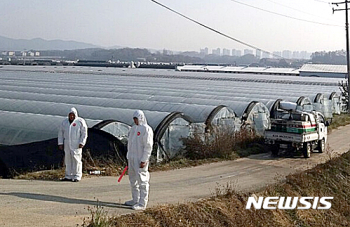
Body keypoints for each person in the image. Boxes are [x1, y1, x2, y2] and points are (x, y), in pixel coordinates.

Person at [125, 110, 153, 210]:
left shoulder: (146, 130)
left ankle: (142, 203)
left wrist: (144, 159)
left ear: (141, 118)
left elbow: (148, 146)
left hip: (140, 159)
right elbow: (130, 144)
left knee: (142, 181)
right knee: (133, 180)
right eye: (134, 119)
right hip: (132, 158)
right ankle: (135, 199)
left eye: (136, 119)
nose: (135, 121)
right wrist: (128, 156)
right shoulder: (133, 129)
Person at [58, 107, 88, 182]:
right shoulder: (64, 122)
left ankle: (77, 175)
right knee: (68, 159)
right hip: (67, 143)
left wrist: (82, 142)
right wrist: (60, 143)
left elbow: (84, 133)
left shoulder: (80, 121)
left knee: (76, 159)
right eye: (70, 115)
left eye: (73, 115)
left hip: (76, 143)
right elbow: (61, 133)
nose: (71, 117)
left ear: (75, 115)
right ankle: (68, 175)